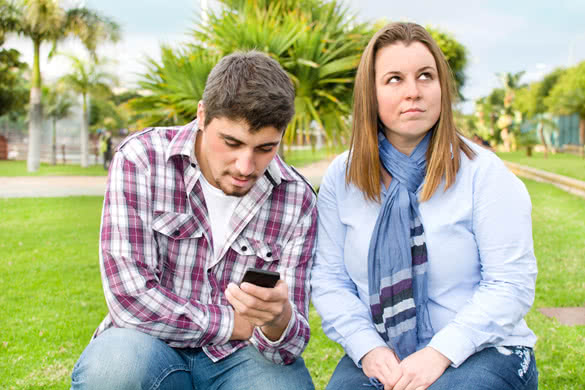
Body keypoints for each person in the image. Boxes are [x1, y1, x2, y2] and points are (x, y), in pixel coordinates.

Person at [311, 22, 538, 390]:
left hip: (483, 349)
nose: (413, 92)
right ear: (371, 93)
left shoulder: (483, 173)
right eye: (394, 79)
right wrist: (369, 349)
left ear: (441, 87)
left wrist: (439, 353)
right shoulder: (343, 176)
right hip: (385, 351)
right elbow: (330, 281)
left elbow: (509, 285)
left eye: (425, 76)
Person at [71, 51, 317, 390]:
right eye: (232, 142)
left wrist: (278, 320)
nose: (246, 166)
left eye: (265, 148)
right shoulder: (141, 159)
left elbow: (289, 345)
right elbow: (129, 298)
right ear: (202, 115)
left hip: (244, 357)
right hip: (149, 343)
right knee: (113, 370)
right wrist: (233, 323)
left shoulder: (297, 198)